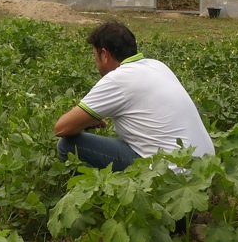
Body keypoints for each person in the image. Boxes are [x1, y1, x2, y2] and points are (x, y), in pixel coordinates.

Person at [54, 21, 215, 171]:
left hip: (168, 173)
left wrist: (85, 122)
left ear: (104, 54)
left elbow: (61, 128)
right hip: (204, 170)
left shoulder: (117, 79)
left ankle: (107, 194)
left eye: (94, 56)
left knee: (67, 145)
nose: (95, 62)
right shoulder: (157, 65)